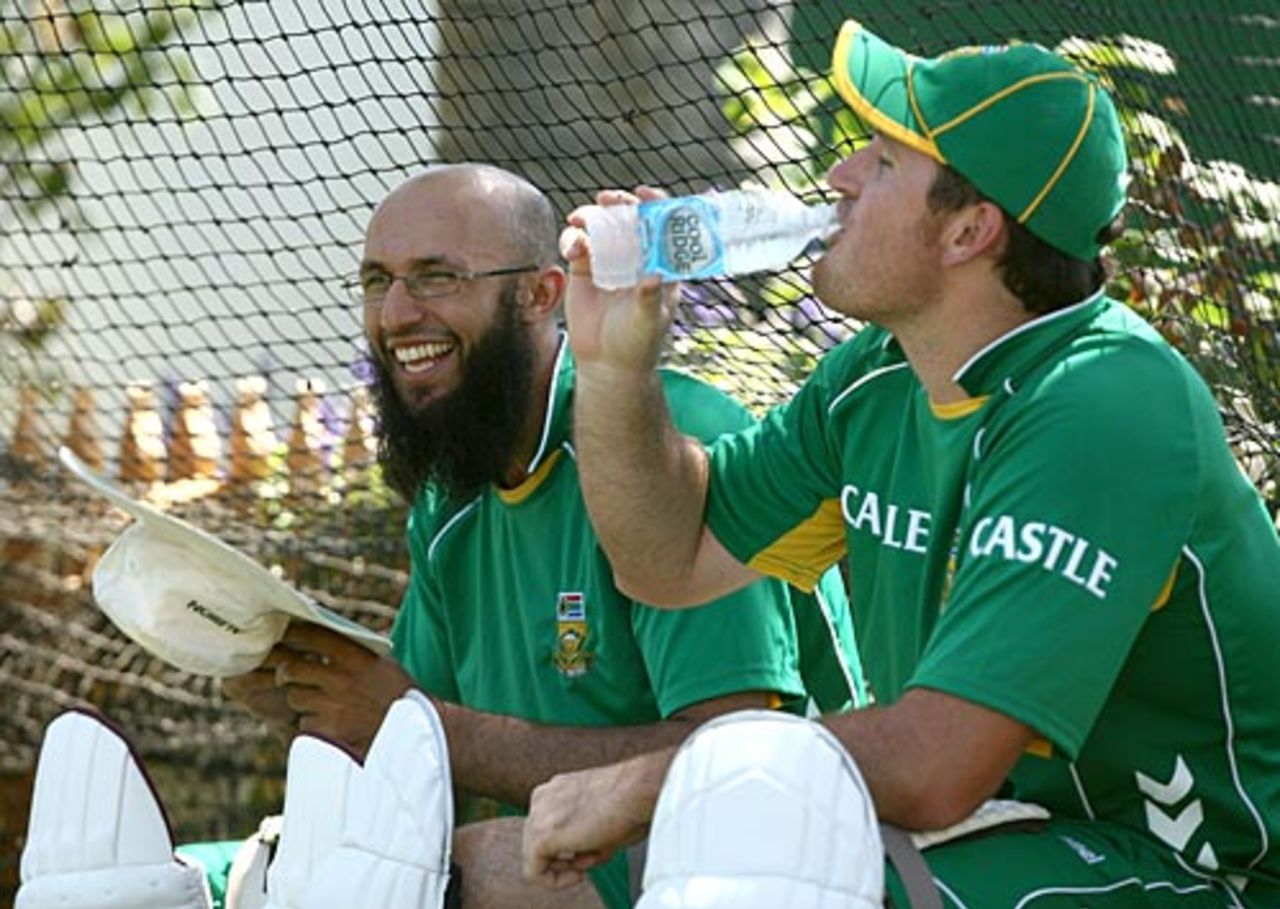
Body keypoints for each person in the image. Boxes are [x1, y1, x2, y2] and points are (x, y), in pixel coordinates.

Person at [523, 19, 1280, 909]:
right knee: (735, 852)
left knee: (772, 872)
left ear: (969, 230)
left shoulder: (1105, 403)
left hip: (1207, 870)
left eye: (882, 161)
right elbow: (666, 558)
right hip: (1023, 830)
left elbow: (935, 766)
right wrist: (615, 367)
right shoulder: (879, 378)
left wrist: (646, 782)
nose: (838, 177)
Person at [222, 163, 865, 909]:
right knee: (260, 864)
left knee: (477, 870)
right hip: (583, 859)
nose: (395, 312)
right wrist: (304, 697)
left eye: (435, 277)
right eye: (377, 281)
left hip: (781, 856)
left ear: (540, 293)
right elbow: (417, 738)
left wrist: (417, 723)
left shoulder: (675, 450)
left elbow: (731, 757)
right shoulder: (452, 490)